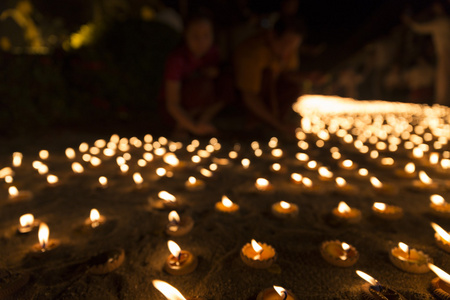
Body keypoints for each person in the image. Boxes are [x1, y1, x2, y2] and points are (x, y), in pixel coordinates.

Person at [234, 19, 303, 134]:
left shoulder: (287, 51)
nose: (289, 50)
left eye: (294, 46)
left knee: (293, 87)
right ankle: (255, 123)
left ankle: (273, 122)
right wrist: (279, 125)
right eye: (286, 44)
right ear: (272, 35)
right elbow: (249, 96)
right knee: (268, 75)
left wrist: (309, 77)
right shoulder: (253, 53)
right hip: (239, 97)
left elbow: (288, 74)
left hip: (269, 94)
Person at [160, 14, 224, 137]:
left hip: (203, 107)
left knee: (226, 81)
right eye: (195, 36)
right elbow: (172, 103)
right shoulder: (177, 60)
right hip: (176, 110)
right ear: (186, 35)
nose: (201, 42)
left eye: (206, 35)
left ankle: (203, 121)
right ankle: (182, 127)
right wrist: (194, 128)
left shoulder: (213, 53)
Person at [403, 1, 450, 106]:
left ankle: (443, 102)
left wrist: (410, 21)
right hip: (443, 52)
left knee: (444, 78)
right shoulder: (444, 21)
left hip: (445, 52)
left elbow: (421, 27)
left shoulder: (442, 21)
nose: (434, 9)